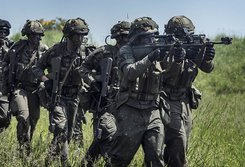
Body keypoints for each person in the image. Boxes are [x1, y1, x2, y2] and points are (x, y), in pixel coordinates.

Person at [32, 17, 93, 166]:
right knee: (60, 129)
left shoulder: (86, 52)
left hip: (75, 97)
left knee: (68, 135)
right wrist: (45, 79)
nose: (80, 38)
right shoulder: (56, 50)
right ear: (69, 35)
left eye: (82, 35)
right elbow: (36, 67)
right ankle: (65, 163)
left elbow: (97, 69)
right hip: (58, 96)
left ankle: (48, 161)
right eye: (77, 35)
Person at [108, 17, 168, 167]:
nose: (150, 40)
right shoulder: (125, 50)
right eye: (145, 37)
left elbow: (170, 74)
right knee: (120, 159)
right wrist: (150, 57)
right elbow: (129, 72)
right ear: (136, 38)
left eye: (153, 36)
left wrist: (177, 58)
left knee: (156, 157)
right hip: (130, 108)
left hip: (152, 110)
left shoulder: (159, 49)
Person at [162, 15, 215, 167]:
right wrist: (178, 57)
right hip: (167, 98)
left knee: (182, 142)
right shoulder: (163, 47)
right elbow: (166, 72)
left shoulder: (192, 45)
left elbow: (208, 69)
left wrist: (206, 58)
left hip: (185, 100)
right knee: (178, 139)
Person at [79, 21, 131, 167]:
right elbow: (82, 69)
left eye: (128, 37)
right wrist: (94, 81)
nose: (125, 40)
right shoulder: (104, 52)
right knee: (106, 137)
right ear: (116, 37)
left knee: (105, 140)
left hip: (125, 104)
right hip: (104, 102)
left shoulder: (133, 54)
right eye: (122, 36)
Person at [2, 20, 48, 156]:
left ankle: (23, 148)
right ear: (27, 35)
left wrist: (45, 82)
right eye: (32, 35)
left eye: (38, 35)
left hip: (35, 90)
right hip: (20, 89)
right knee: (23, 117)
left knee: (33, 122)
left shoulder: (44, 49)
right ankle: (25, 151)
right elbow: (5, 62)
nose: (35, 38)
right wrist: (6, 83)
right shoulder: (19, 47)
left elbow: (53, 69)